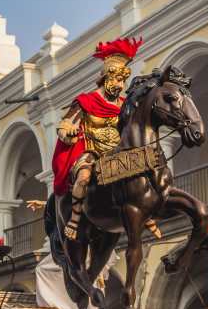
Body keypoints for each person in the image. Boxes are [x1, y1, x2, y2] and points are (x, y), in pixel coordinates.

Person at [52, 37, 160, 241]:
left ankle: (147, 212)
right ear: (105, 78)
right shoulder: (86, 101)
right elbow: (64, 126)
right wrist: (69, 133)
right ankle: (75, 218)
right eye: (117, 80)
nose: (120, 85)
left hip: (118, 150)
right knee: (83, 177)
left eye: (123, 81)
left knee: (148, 166)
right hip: (92, 152)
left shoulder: (123, 104)